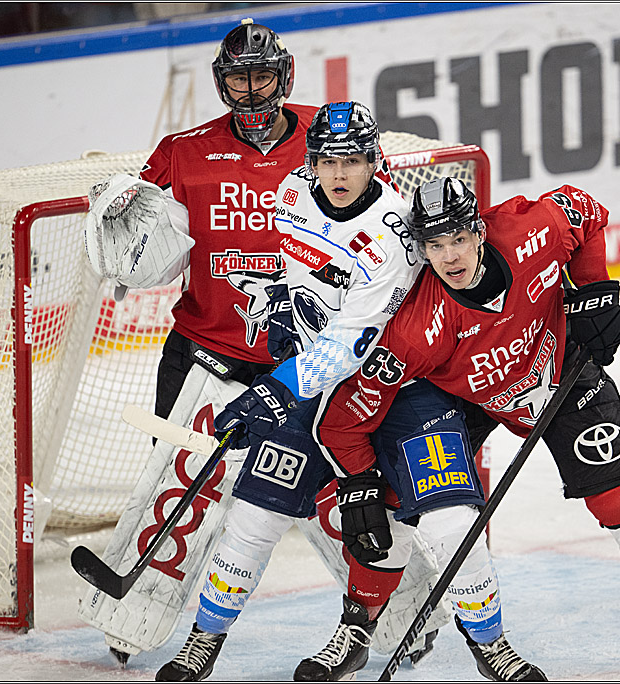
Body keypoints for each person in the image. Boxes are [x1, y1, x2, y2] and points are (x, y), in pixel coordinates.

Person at [220, 176, 620, 681]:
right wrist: (360, 478)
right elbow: (346, 418)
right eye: (434, 245)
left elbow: (586, 210)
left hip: (561, 372)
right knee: (391, 508)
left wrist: (595, 291)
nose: (449, 256)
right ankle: (357, 632)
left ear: (479, 231)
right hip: (469, 400)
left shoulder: (531, 232)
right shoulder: (414, 330)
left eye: (458, 239)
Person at [78, 19, 441, 675]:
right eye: (238, 78)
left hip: (305, 355)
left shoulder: (329, 142)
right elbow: (145, 245)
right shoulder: (182, 151)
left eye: (262, 75)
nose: (250, 91)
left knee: (338, 492)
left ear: (286, 75)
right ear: (223, 81)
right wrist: (120, 218)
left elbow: (382, 224)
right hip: (203, 349)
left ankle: (402, 614)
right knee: (181, 479)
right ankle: (134, 620)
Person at [204, 101, 544, 683]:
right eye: (329, 160)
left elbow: (349, 348)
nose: (339, 174)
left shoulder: (389, 238)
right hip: (316, 389)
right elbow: (302, 280)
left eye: (354, 161)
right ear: (311, 161)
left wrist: (270, 391)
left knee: (450, 522)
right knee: (255, 516)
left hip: (399, 386)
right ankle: (204, 643)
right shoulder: (290, 196)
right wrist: (284, 307)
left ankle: (493, 646)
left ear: (374, 163)